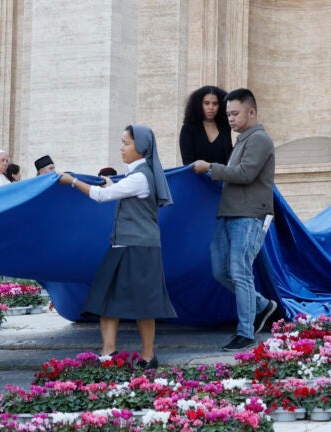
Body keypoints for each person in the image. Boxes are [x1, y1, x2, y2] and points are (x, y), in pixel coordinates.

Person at [58, 124, 176, 369]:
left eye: (126, 143)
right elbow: (117, 191)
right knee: (107, 298)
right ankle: (109, 352)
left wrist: (72, 181)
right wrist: (110, 184)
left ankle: (147, 356)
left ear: (141, 147)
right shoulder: (137, 176)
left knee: (144, 303)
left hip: (139, 247)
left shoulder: (141, 177)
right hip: (124, 244)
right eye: (122, 142)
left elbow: (102, 197)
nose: (121, 148)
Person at [192, 88, 277, 352]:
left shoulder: (260, 139)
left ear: (251, 112)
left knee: (240, 271)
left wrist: (211, 168)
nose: (229, 118)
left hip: (249, 215)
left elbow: (245, 173)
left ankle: (245, 332)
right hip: (228, 213)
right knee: (221, 270)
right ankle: (263, 305)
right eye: (227, 114)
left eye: (234, 113)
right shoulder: (242, 140)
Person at [179, 85, 233, 166]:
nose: (211, 107)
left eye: (215, 104)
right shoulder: (188, 129)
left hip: (223, 177)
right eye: (206, 103)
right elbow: (188, 162)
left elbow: (229, 158)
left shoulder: (225, 127)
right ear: (199, 105)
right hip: (197, 177)